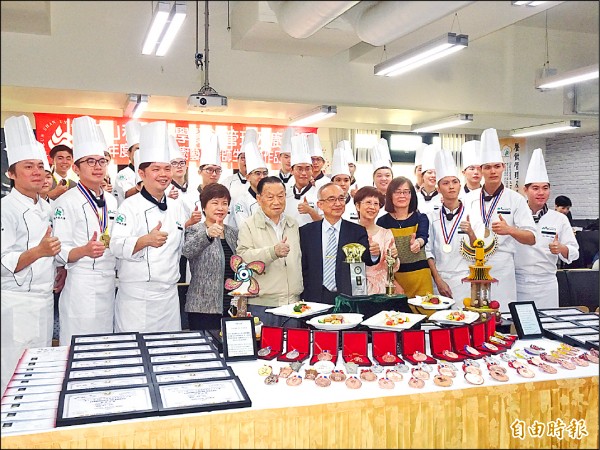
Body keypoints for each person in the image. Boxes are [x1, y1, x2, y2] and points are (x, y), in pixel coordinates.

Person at [110, 121, 194, 333]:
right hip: (137, 297)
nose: (163, 174)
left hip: (168, 297)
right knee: (134, 354)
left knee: (166, 353)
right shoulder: (129, 206)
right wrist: (144, 240)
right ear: (142, 172)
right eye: (156, 169)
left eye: (167, 168)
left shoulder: (176, 206)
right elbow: (116, 245)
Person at [1, 115, 60, 394]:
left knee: (39, 371)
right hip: (16, 302)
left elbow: (52, 252)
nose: (37, 172)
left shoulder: (45, 207)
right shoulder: (6, 209)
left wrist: (59, 268)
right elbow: (5, 261)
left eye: (40, 166)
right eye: (28, 167)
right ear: (10, 174)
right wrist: (39, 252)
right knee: (13, 373)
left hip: (44, 301)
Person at [52, 116, 118, 345]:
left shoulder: (112, 200)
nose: (97, 166)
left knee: (105, 349)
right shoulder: (66, 201)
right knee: (78, 349)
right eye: (90, 161)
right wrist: (84, 250)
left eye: (102, 161)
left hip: (109, 284)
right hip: (81, 285)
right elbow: (59, 252)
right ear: (76, 168)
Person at [463, 128, 536, 312]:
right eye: (487, 167)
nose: (493, 171)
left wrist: (510, 230)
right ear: (481, 170)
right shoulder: (468, 198)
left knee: (501, 318)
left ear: (504, 167)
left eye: (497, 166)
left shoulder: (516, 199)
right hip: (472, 266)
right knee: (473, 317)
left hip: (502, 267)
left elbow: (531, 238)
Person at [515, 148, 579, 309]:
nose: (541, 193)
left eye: (545, 188)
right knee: (517, 329)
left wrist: (562, 248)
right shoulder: (515, 216)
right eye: (535, 188)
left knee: (548, 327)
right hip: (518, 284)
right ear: (525, 190)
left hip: (547, 285)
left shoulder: (559, 218)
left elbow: (574, 251)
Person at [237, 176, 303, 325]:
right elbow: (242, 259)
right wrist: (272, 252)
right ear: (259, 199)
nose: (276, 202)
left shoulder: (293, 224)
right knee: (264, 348)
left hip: (293, 305)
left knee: (294, 348)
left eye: (281, 196)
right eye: (270, 197)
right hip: (263, 305)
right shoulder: (248, 225)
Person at [300, 183, 380, 304]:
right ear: (320, 204)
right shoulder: (306, 232)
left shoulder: (357, 231)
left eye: (341, 198)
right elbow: (302, 265)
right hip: (314, 297)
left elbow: (367, 259)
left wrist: (374, 254)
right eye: (332, 199)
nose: (338, 203)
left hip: (346, 297)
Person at [182, 183, 238, 331]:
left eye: (224, 203)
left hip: (232, 307)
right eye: (215, 203)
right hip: (202, 308)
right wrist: (207, 234)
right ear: (204, 207)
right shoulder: (194, 230)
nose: (220, 208)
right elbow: (187, 251)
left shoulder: (234, 233)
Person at [425, 150, 473, 302]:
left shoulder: (472, 214)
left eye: (455, 182)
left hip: (464, 279)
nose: (451, 186)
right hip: (439, 281)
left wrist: (471, 233)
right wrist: (438, 280)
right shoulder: (431, 217)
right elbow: (428, 251)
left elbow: (480, 250)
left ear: (460, 185)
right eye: (446, 183)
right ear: (438, 189)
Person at [377, 176, 434, 298]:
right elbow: (382, 257)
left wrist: (418, 243)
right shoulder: (382, 222)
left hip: (421, 278)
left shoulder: (421, 218)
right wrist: (393, 281)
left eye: (406, 192)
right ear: (390, 196)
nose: (402, 195)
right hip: (395, 279)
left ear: (412, 195)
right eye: (397, 192)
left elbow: (423, 236)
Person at [355, 186, 401, 295]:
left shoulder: (386, 233)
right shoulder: (349, 231)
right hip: (355, 286)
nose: (372, 207)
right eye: (368, 202)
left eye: (376, 204)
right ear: (358, 206)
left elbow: (391, 268)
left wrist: (394, 258)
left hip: (381, 288)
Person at [229, 132, 269, 229]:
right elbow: (244, 227)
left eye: (265, 173)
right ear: (248, 177)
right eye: (258, 173)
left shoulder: (271, 198)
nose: (262, 177)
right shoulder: (241, 201)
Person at [284, 135, 322, 227]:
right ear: (292, 171)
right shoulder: (285, 195)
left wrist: (310, 211)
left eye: (307, 169)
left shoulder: (319, 194)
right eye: (300, 169)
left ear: (312, 170)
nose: (304, 173)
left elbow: (325, 223)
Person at [114, 120, 141, 206]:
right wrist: (144, 185)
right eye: (137, 149)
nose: (140, 152)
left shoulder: (150, 173)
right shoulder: (123, 174)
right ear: (129, 153)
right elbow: (127, 194)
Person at [369, 138, 394, 216]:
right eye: (379, 175)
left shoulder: (398, 197)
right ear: (373, 178)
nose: (383, 179)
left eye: (387, 175)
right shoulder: (367, 197)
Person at [417, 144, 442, 215]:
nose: (433, 176)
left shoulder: (443, 198)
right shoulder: (414, 197)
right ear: (423, 175)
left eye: (435, 173)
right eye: (429, 172)